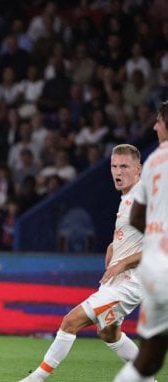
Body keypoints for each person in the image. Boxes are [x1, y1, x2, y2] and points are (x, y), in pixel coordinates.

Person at [19, 144, 145, 381]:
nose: (118, 171)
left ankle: (35, 379)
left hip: (130, 281)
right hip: (117, 280)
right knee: (109, 333)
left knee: (70, 321)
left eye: (124, 166)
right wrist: (113, 250)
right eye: (114, 166)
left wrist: (121, 264)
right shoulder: (127, 197)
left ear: (138, 168)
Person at [113, 102, 168, 382]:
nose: (154, 126)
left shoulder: (156, 160)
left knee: (150, 357)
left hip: (156, 267)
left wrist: (157, 238)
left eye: (158, 121)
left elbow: (137, 217)